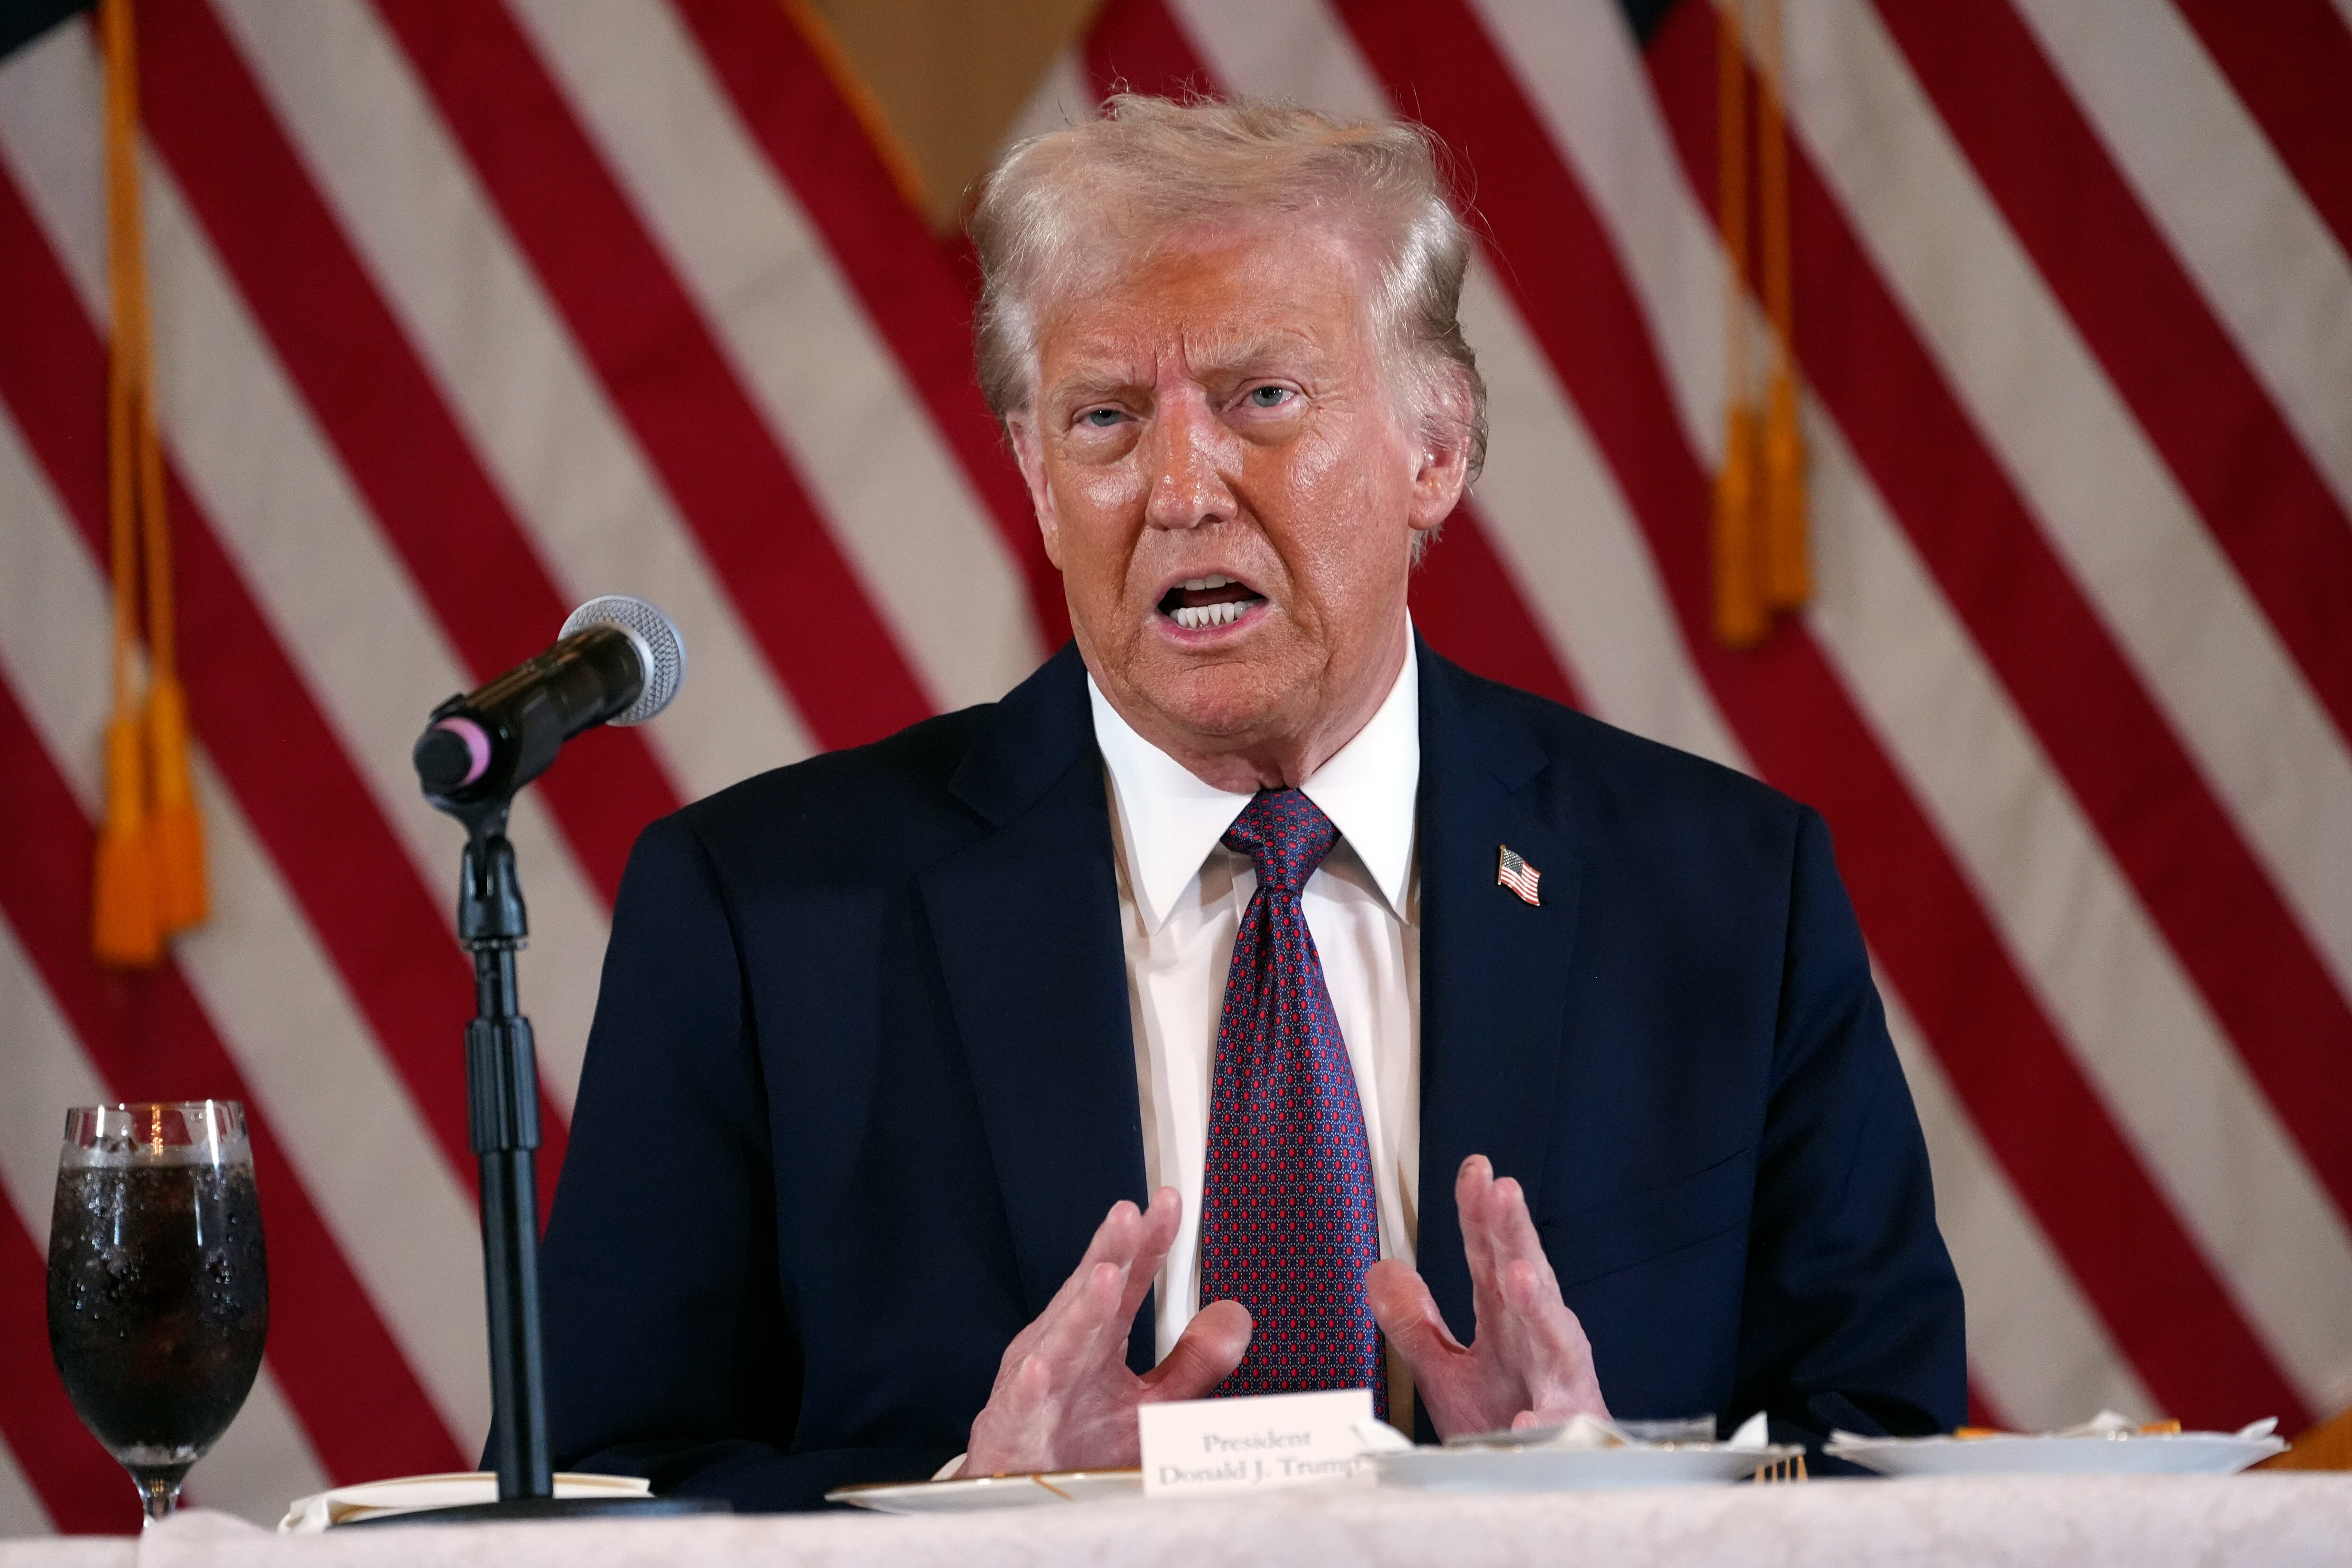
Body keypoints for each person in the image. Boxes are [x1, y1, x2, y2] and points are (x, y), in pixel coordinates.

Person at [536, 96, 1964, 1509]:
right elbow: (595, 1498)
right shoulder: (762, 919)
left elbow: (1885, 1455)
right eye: (1104, 419)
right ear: (1037, 478)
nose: (1179, 488)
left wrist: (1617, 1497)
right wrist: (976, 1512)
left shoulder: (1725, 895)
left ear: (1437, 447)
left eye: (1260, 400)